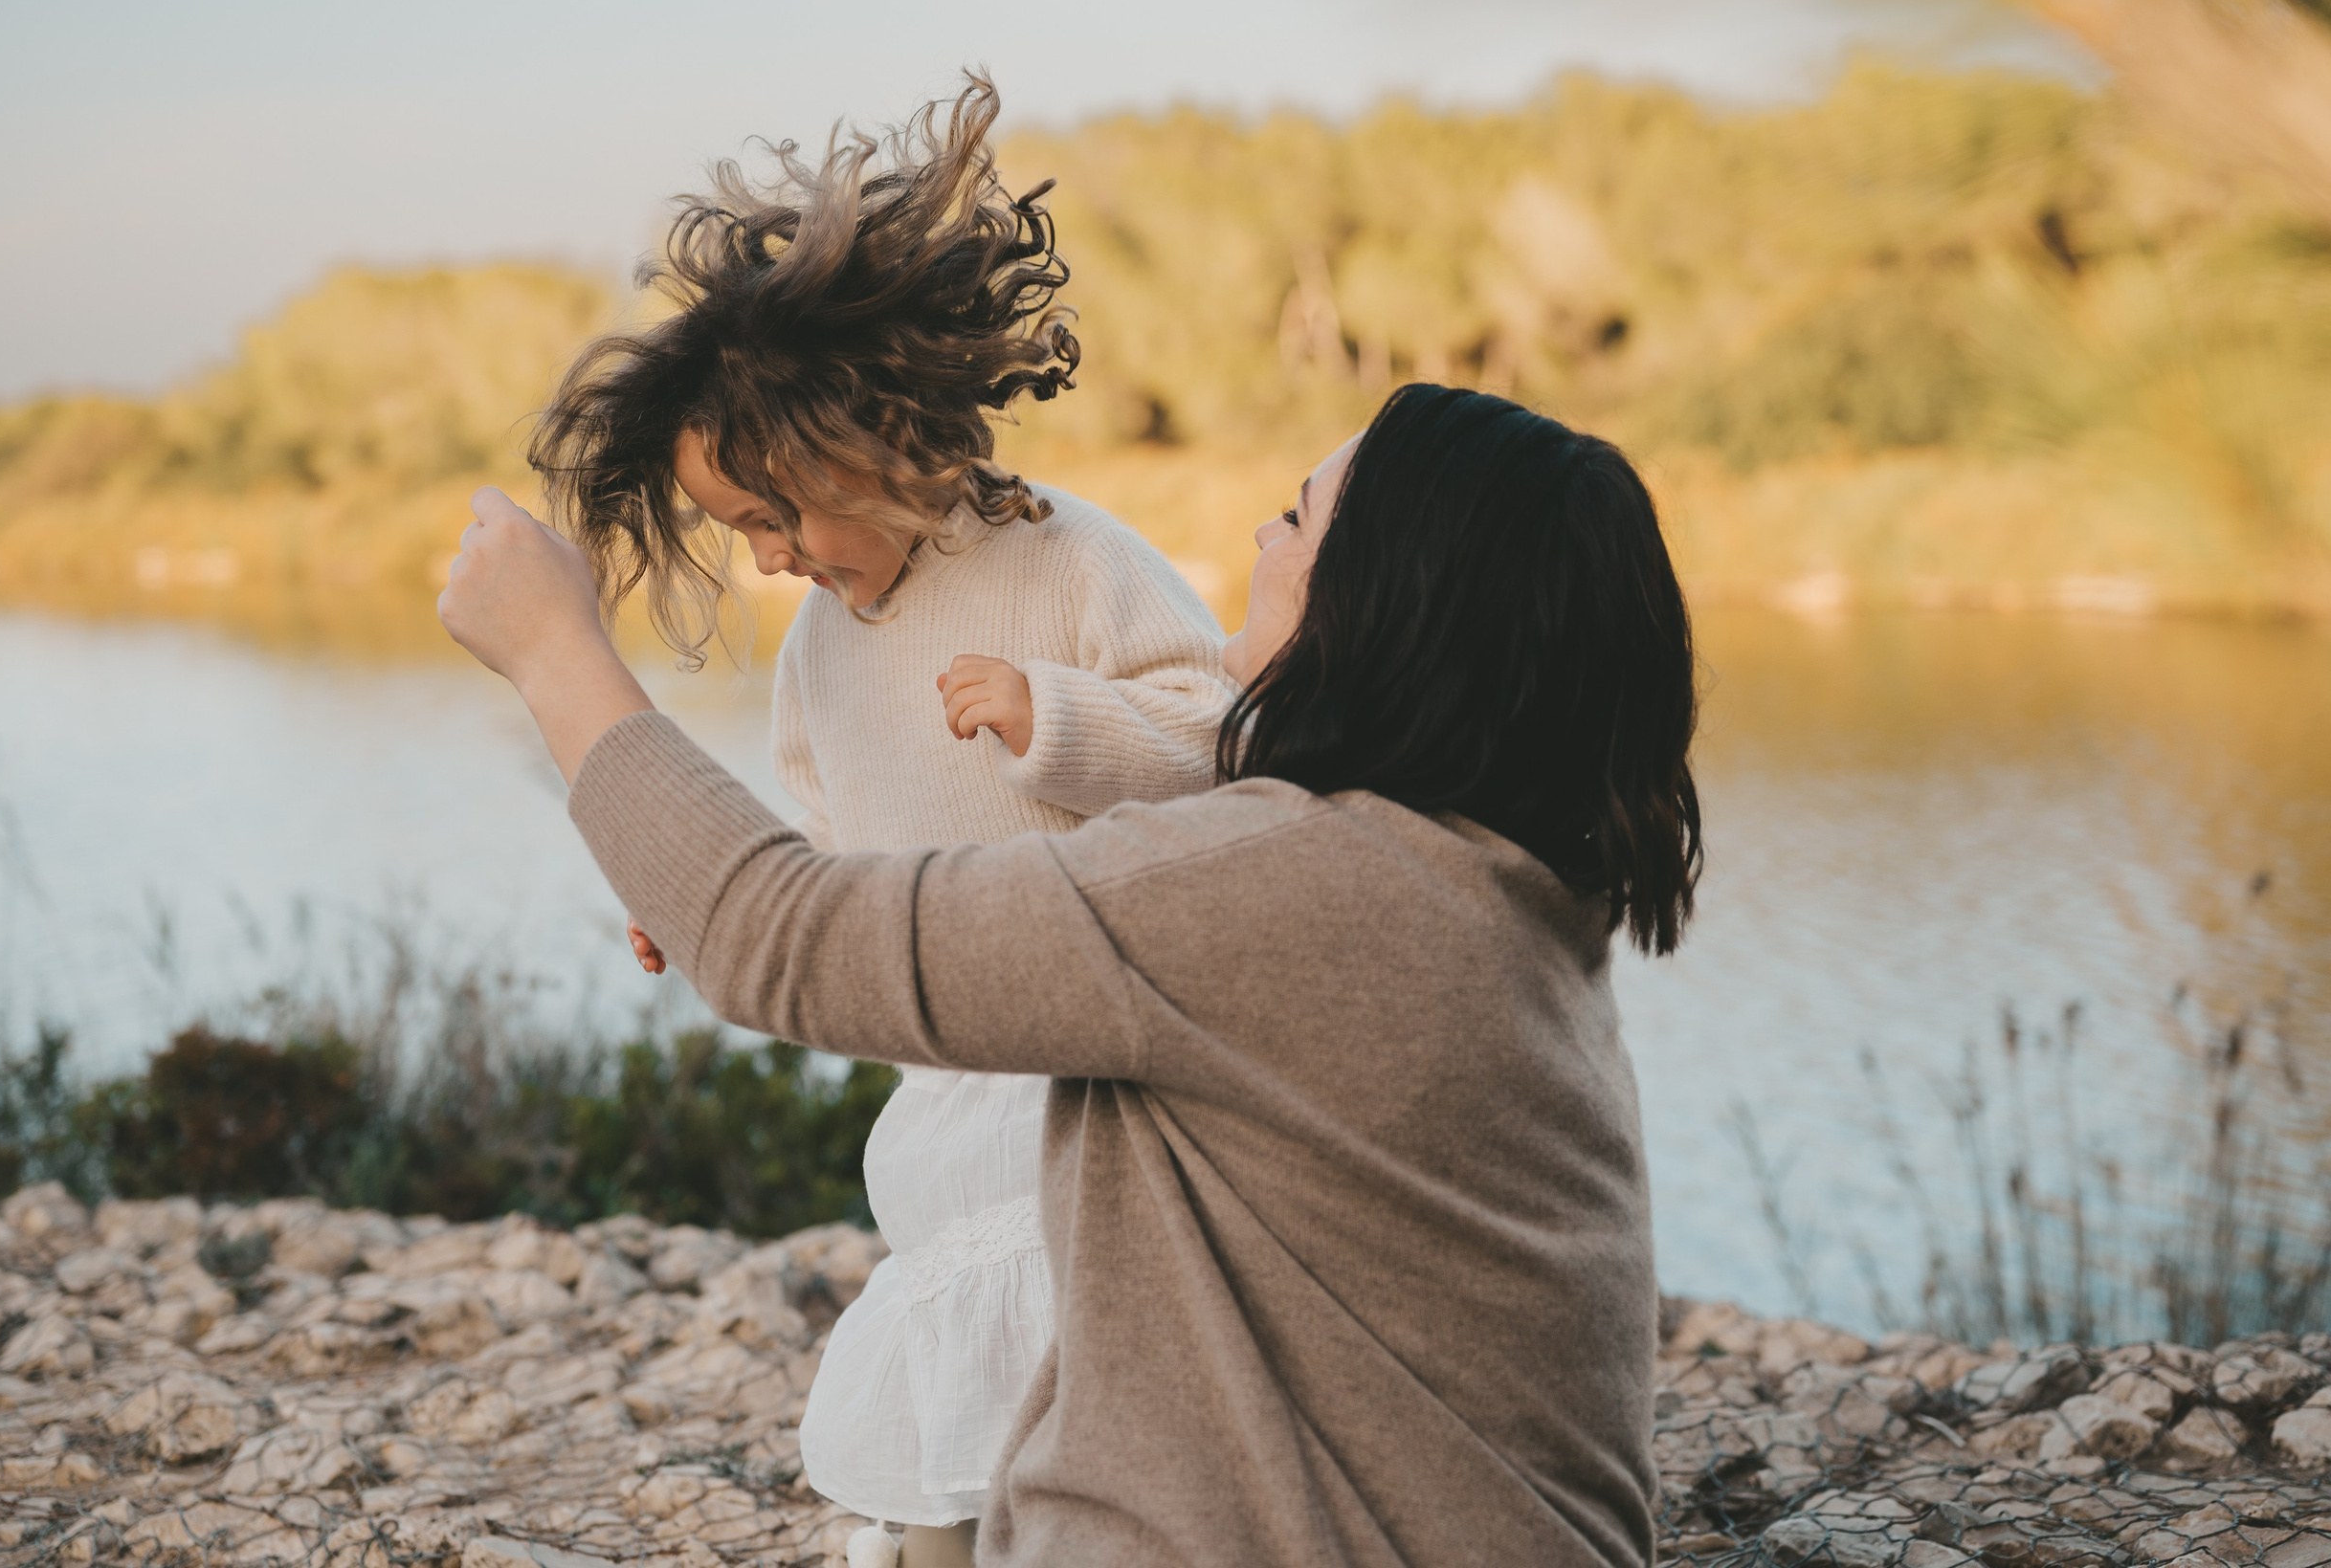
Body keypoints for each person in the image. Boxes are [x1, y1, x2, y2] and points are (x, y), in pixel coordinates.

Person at [441, 381, 1703, 1568]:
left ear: (1397, 594)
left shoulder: (1288, 889)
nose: (1259, 542)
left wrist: (558, 653)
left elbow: (791, 942)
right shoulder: (1492, 894)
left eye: (1296, 515)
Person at [523, 77, 1232, 1565]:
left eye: (782, 516)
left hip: (1090, 1060)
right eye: (741, 536)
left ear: (876, 444)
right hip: (945, 1082)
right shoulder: (817, 657)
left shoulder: (1071, 564)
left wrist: (1061, 723)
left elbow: (1228, 751)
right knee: (955, 1377)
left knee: (1069, 1349)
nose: (772, 557)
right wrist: (692, 895)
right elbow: (822, 882)